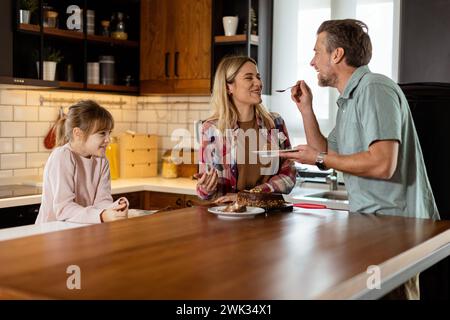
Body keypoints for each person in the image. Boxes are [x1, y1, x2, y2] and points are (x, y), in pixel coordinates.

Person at [280, 19, 439, 299]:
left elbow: (382, 164)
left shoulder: (374, 88)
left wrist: (319, 157)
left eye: (317, 52)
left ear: (337, 54)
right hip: (374, 226)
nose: (312, 62)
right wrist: (306, 110)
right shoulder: (349, 100)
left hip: (395, 229)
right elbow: (328, 152)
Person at [197, 56, 296, 202]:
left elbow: (289, 176)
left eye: (258, 77)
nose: (259, 83)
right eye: (249, 78)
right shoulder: (211, 129)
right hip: (229, 218)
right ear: (228, 86)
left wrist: (248, 196)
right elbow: (205, 190)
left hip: (270, 217)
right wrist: (205, 189)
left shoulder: (275, 123)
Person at [35, 100, 129, 224]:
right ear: (78, 133)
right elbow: (64, 209)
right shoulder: (62, 156)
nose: (108, 139)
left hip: (81, 229)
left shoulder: (101, 160)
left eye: (109, 133)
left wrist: (114, 208)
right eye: (102, 133)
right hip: (51, 233)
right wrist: (102, 216)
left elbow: (102, 201)